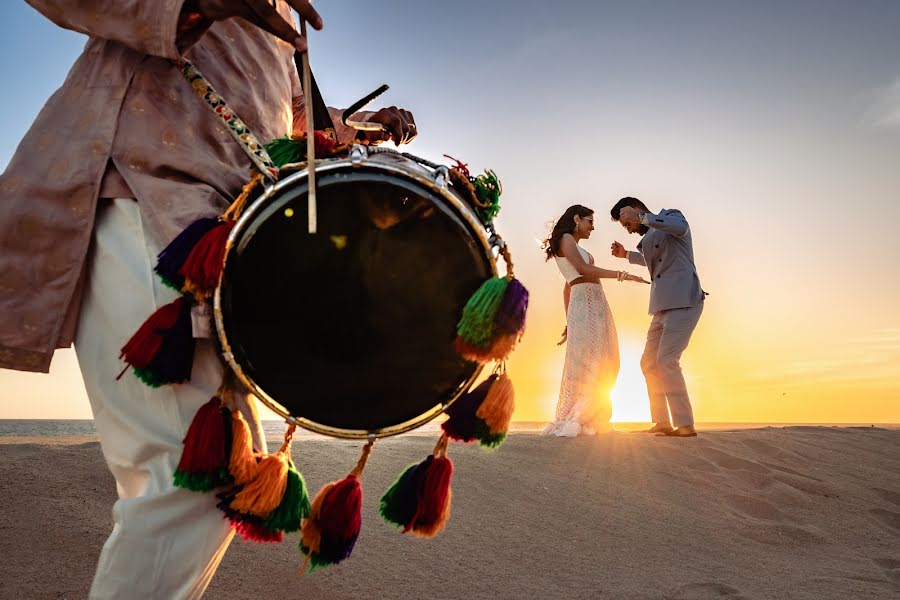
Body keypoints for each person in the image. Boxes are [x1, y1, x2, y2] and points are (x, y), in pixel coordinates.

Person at [0, 1, 416, 598]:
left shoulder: (281, 23)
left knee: (205, 481)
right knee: (186, 480)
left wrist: (365, 125)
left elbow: (291, 121)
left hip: (221, 236)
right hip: (144, 192)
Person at [540, 205, 647, 437]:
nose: (593, 227)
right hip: (585, 303)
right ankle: (582, 417)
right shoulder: (566, 238)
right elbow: (581, 270)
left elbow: (567, 286)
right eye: (590, 221)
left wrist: (569, 322)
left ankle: (597, 416)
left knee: (607, 358)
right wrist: (622, 275)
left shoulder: (576, 246)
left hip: (594, 303)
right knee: (591, 362)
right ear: (576, 219)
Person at [610, 197, 706, 438]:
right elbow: (652, 260)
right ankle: (662, 421)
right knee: (649, 363)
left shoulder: (672, 216)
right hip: (661, 307)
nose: (628, 228)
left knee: (666, 360)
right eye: (624, 225)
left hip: (684, 301)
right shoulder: (648, 239)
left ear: (637, 209)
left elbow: (680, 228)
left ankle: (685, 424)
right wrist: (626, 255)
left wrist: (642, 218)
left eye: (626, 222)